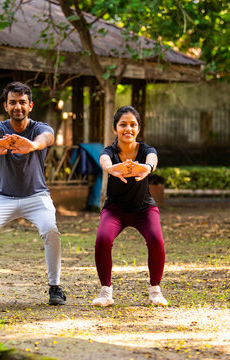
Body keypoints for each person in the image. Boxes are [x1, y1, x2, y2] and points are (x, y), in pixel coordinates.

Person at [0, 82, 66, 306]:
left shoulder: (39, 128)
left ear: (30, 105)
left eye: (22, 102)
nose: (18, 107)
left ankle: (55, 286)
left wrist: (32, 145)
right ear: (6, 106)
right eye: (13, 102)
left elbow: (48, 138)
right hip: (4, 197)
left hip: (37, 197)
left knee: (51, 230)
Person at [91, 105, 168, 307]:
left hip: (144, 209)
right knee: (102, 239)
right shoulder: (110, 151)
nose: (128, 129)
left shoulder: (145, 150)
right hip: (115, 210)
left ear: (139, 128)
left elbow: (153, 159)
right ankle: (105, 292)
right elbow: (104, 160)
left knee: (156, 239)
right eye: (123, 124)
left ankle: (155, 291)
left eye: (133, 125)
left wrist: (147, 167)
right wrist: (111, 168)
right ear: (114, 128)